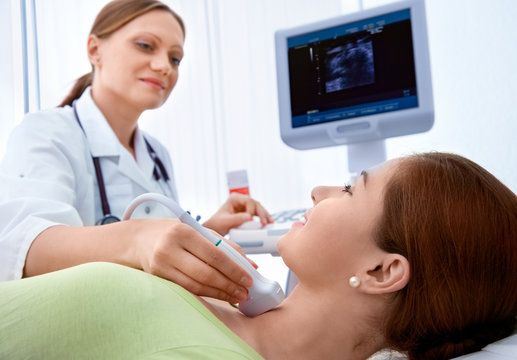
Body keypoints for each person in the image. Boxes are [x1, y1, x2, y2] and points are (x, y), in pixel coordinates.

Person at [0, 152, 516, 360]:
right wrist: (131, 239)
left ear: (382, 270)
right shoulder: (231, 303)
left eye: (350, 189)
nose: (317, 191)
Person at [0, 0, 274, 305]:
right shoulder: (45, 132)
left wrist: (209, 229)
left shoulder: (158, 154)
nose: (164, 67)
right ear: (94, 50)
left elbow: (158, 254)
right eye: (146, 46)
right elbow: (26, 249)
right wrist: (137, 238)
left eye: (175, 58)